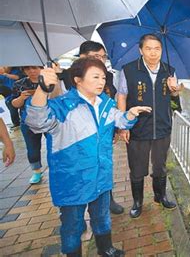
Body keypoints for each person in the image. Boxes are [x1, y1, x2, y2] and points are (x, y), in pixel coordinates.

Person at [25, 58, 151, 257]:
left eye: (103, 77)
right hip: (72, 179)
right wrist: (42, 89)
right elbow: (36, 122)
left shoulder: (106, 104)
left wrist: (130, 114)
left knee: (101, 217)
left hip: (101, 174)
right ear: (78, 80)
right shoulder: (62, 106)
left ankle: (105, 248)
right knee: (73, 224)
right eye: (95, 77)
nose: (101, 81)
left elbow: (121, 120)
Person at [117, 33, 183, 218]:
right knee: (137, 168)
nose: (153, 53)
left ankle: (160, 196)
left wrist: (174, 91)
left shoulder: (169, 71)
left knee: (160, 166)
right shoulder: (129, 70)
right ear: (141, 50)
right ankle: (137, 202)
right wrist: (123, 126)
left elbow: (175, 106)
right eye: (148, 48)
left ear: (162, 51)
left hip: (162, 128)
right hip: (138, 129)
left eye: (157, 49)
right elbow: (121, 96)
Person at [58, 40, 124, 215]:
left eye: (103, 57)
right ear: (82, 57)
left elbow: (111, 100)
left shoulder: (107, 76)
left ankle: (107, 200)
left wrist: (116, 129)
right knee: (79, 171)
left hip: (102, 130)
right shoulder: (65, 77)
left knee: (103, 164)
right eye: (96, 56)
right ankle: (76, 209)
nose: (101, 60)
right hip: (77, 137)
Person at [10, 66, 47, 184]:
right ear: (24, 71)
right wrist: (21, 98)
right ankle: (36, 171)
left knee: (55, 146)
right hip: (27, 121)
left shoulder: (49, 81)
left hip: (48, 120)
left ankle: (58, 168)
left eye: (35, 68)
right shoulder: (19, 84)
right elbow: (14, 104)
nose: (32, 71)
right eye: (28, 69)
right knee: (32, 147)